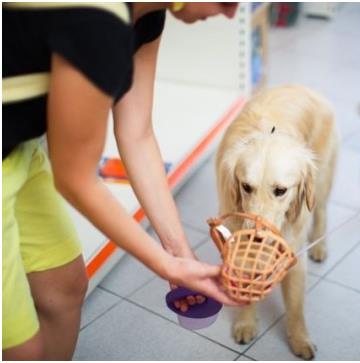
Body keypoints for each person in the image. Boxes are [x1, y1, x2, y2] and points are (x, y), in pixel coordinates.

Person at [3, 2, 241, 360]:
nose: (231, 14)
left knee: (64, 290)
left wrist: (179, 253)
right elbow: (75, 178)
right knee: (23, 349)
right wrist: (167, 265)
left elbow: (138, 133)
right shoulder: (98, 20)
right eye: (227, 1)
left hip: (16, 145)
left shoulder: (146, 16)